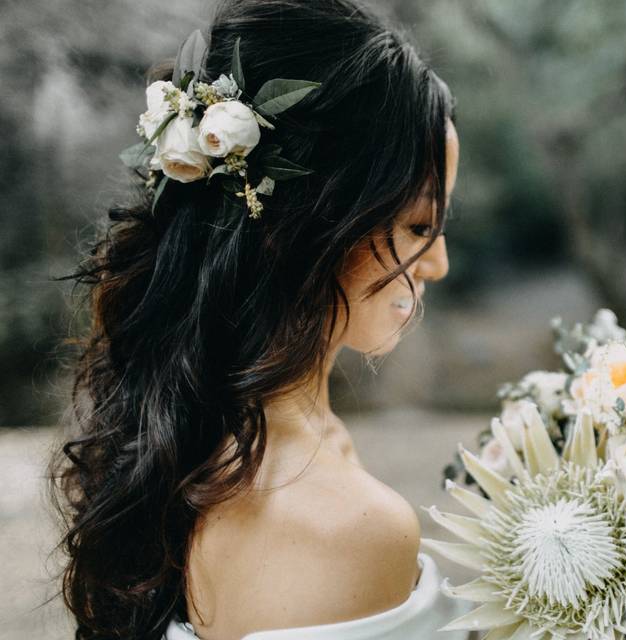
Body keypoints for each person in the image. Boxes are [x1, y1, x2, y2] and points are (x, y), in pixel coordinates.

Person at [49, 1, 470, 638]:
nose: (436, 262)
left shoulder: (199, 434)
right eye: (417, 226)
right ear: (311, 225)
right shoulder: (342, 526)